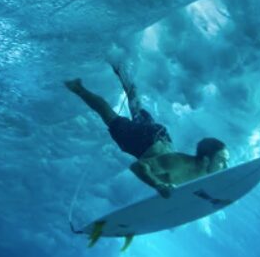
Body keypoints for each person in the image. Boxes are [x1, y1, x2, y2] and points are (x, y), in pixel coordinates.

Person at [65, 64, 229, 197]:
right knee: (109, 116)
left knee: (136, 103)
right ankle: (77, 87)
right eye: (221, 160)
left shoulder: (202, 172)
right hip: (141, 141)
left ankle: (119, 63)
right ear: (206, 160)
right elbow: (138, 166)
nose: (226, 166)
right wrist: (158, 185)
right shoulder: (177, 164)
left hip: (159, 135)